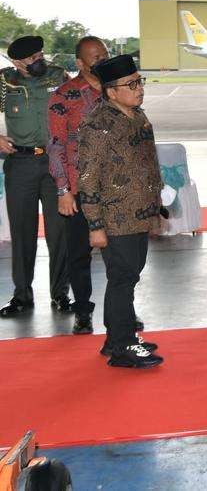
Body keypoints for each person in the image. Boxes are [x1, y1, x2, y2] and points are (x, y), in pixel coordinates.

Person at [77, 54, 164, 368]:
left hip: (138, 214)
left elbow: (146, 164)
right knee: (122, 279)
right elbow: (87, 177)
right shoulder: (98, 124)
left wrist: (154, 208)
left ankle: (117, 338)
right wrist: (95, 225)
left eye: (140, 82)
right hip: (115, 218)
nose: (139, 89)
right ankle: (123, 346)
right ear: (111, 92)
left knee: (127, 277)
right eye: (131, 84)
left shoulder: (136, 115)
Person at [0, 35, 70, 318]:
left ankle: (60, 294)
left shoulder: (58, 76)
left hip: (55, 164)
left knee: (59, 233)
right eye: (32, 58)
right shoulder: (5, 82)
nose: (39, 60)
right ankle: (21, 295)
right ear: (17, 62)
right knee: (22, 233)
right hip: (21, 163)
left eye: (40, 54)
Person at [46, 36, 109, 334]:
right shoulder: (64, 96)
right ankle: (82, 310)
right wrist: (63, 189)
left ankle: (122, 311)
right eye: (94, 56)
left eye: (104, 54)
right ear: (80, 63)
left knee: (120, 255)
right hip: (79, 188)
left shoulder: (119, 90)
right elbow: (56, 145)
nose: (102, 59)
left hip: (117, 188)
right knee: (79, 254)